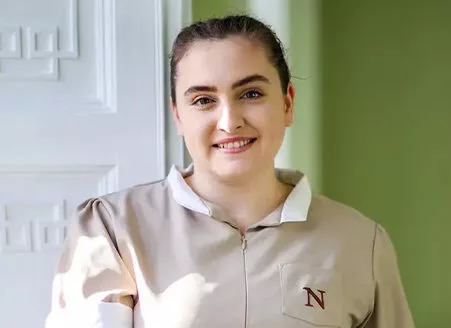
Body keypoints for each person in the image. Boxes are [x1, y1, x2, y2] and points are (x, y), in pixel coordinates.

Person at [45, 15, 415, 328]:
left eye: (250, 94)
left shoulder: (360, 242)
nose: (229, 121)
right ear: (179, 116)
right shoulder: (112, 229)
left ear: (287, 104)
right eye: (204, 100)